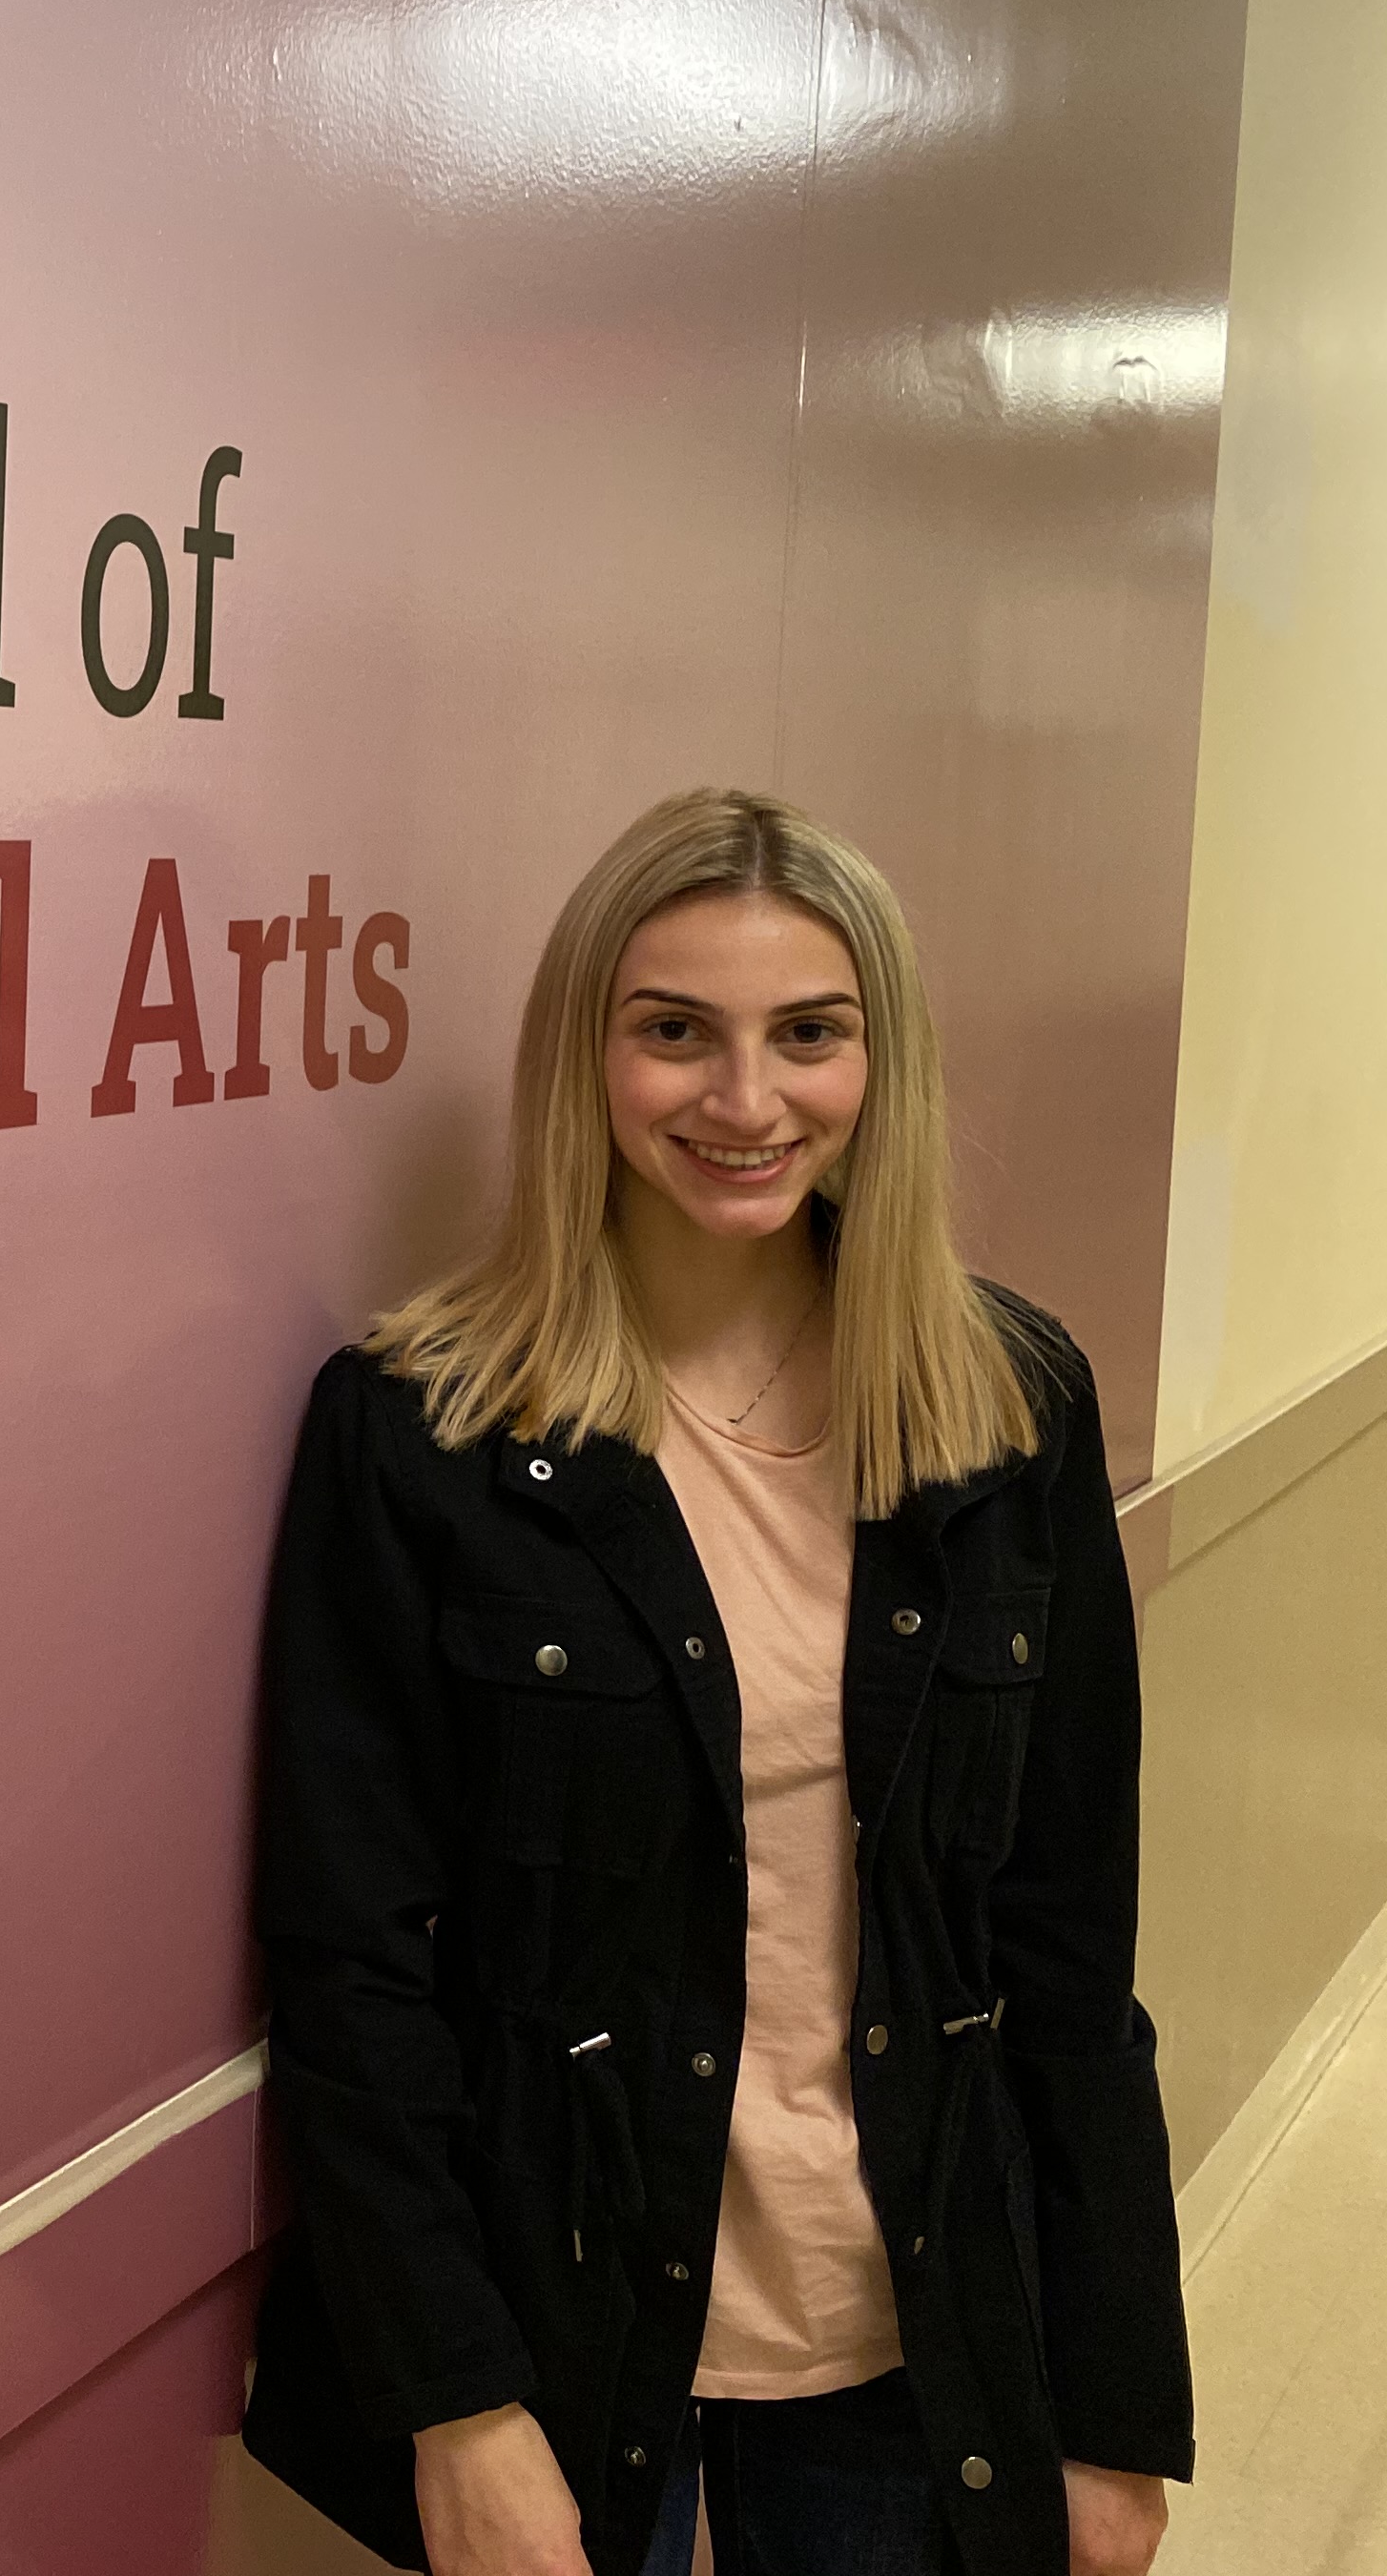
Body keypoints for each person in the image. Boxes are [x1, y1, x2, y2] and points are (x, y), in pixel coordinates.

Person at [238, 790, 1190, 2576]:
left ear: (876, 1061)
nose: (746, 1104)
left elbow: (1069, 1948)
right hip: (568, 2346)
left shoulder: (1004, 1409)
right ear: (583, 1056)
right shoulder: (424, 1436)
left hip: (912, 2341)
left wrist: (1120, 2403)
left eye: (808, 1036)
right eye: (675, 1031)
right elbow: (356, 1969)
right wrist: (457, 2404)